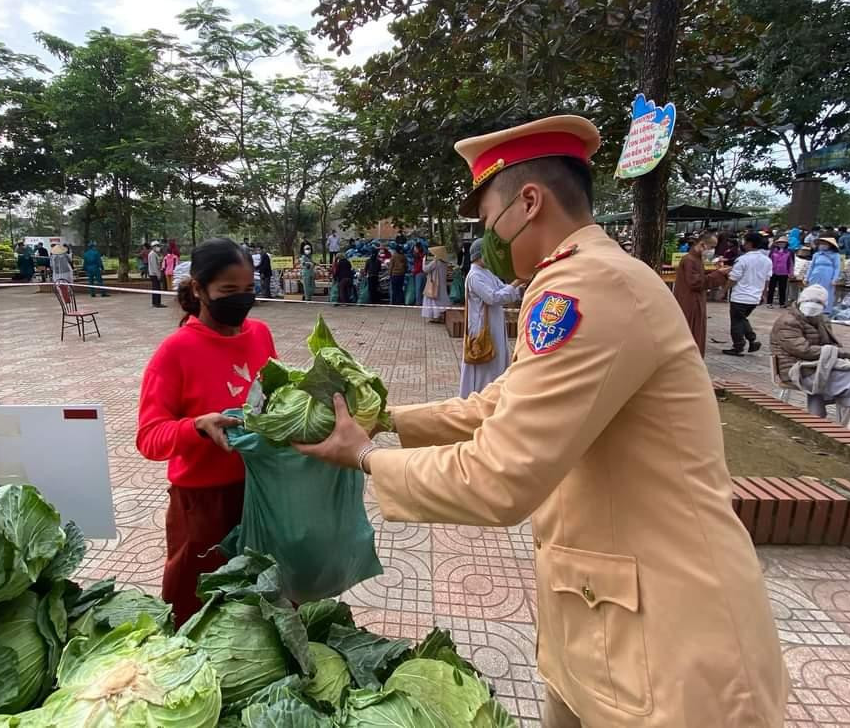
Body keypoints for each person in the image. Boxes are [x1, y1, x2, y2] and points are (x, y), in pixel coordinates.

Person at [295, 115, 787, 728]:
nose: (488, 241)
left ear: (530, 202)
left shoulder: (586, 288)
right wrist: (384, 418)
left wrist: (365, 458)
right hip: (602, 615)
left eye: (489, 222)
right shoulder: (580, 280)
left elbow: (500, 477)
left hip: (668, 635)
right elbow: (495, 404)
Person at [137, 238, 277, 620]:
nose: (242, 300)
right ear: (198, 289)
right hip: (202, 503)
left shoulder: (261, 334)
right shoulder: (175, 351)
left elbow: (274, 398)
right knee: (195, 603)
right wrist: (197, 426)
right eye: (229, 291)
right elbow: (149, 438)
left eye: (249, 290)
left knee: (260, 602)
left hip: (260, 492)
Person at [771, 285, 850, 442]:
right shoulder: (787, 322)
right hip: (798, 369)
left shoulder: (821, 319)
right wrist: (839, 354)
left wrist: (837, 354)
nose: (814, 305)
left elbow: (831, 344)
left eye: (818, 302)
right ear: (801, 301)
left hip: (818, 365)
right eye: (810, 301)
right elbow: (803, 350)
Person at [459, 238, 523, 396]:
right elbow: (493, 297)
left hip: (494, 325)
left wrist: (520, 288)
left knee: (496, 362)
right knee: (483, 364)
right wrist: (515, 284)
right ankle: (477, 397)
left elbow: (504, 292)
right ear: (479, 255)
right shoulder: (474, 276)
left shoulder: (487, 273)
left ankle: (492, 396)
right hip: (481, 327)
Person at [672, 233, 729, 357]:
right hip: (689, 301)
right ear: (702, 244)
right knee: (691, 331)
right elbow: (695, 283)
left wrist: (716, 272)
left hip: (695, 299)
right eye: (711, 247)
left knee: (695, 331)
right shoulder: (689, 260)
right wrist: (718, 274)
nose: (712, 250)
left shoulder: (696, 259)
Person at [723, 232, 773, 356]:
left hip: (740, 296)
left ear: (749, 243)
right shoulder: (767, 260)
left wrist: (723, 291)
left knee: (737, 322)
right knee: (742, 319)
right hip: (754, 297)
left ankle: (739, 345)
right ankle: (752, 340)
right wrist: (763, 294)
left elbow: (734, 278)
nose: (743, 244)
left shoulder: (743, 259)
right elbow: (767, 279)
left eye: (745, 242)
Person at [805, 237, 841, 314]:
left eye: (825, 244)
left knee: (827, 292)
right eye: (821, 244)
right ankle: (812, 308)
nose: (822, 245)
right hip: (815, 275)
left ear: (830, 245)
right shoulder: (816, 255)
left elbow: (837, 268)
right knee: (813, 291)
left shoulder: (835, 255)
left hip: (828, 275)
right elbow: (811, 267)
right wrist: (806, 278)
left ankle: (825, 310)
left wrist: (834, 279)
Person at [420, 246, 449, 323]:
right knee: (441, 299)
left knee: (433, 300)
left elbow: (425, 269)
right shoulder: (445, 263)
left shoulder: (435, 262)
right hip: (442, 284)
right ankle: (440, 316)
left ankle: (435, 317)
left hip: (434, 284)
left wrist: (423, 260)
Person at [767, 236, 794, 309]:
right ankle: (769, 302)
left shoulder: (789, 252)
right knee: (771, 288)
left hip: (784, 272)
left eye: (783, 243)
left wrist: (791, 273)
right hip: (773, 272)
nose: (781, 244)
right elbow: (769, 261)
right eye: (780, 243)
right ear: (777, 244)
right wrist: (768, 271)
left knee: (782, 288)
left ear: (786, 244)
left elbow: (791, 263)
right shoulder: (773, 251)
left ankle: (782, 303)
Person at [148, 241, 166, 308]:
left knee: (156, 288)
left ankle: (156, 302)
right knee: (156, 288)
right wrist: (158, 275)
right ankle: (157, 303)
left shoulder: (155, 254)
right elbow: (155, 266)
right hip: (154, 274)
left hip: (154, 273)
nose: (158, 247)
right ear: (153, 247)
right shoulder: (152, 254)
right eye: (157, 246)